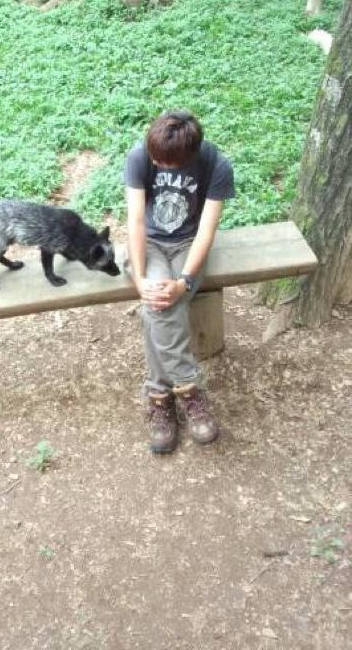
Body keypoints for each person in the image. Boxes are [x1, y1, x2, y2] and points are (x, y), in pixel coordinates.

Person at [125, 110, 235, 454]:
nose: (158, 164)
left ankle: (159, 396)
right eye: (155, 159)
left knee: (159, 307)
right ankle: (188, 390)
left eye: (166, 164)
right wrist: (141, 279)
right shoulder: (140, 155)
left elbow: (207, 229)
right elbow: (137, 222)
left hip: (189, 245)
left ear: (189, 156)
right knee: (158, 302)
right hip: (151, 246)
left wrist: (185, 281)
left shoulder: (216, 164)